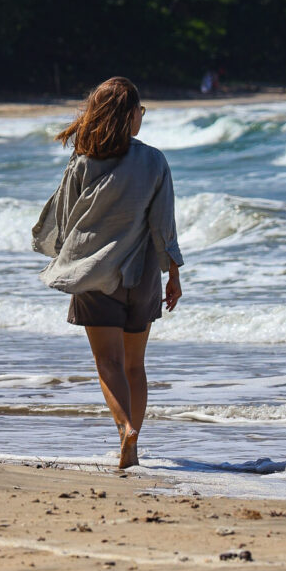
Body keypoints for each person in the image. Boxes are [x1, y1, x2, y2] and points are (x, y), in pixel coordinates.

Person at [32, 76, 183, 469]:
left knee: (108, 364)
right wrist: (174, 275)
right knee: (135, 365)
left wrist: (63, 260)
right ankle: (134, 437)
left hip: (95, 275)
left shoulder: (83, 160)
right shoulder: (154, 161)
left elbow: (65, 221)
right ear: (130, 115)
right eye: (141, 111)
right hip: (142, 277)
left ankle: (125, 430)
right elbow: (162, 226)